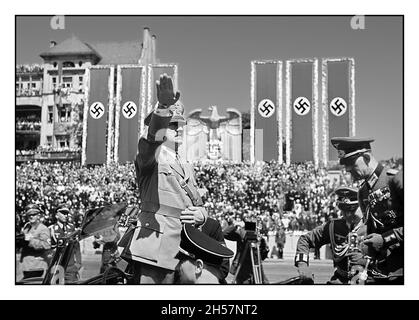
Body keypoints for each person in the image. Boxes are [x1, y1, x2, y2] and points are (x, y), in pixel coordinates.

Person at [124, 74, 208, 283]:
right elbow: (151, 140)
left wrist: (201, 215)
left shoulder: (186, 164)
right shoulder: (150, 158)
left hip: (185, 249)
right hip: (155, 247)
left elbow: (198, 204)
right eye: (171, 124)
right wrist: (162, 108)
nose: (177, 128)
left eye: (179, 124)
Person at [331, 137, 403, 284]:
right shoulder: (363, 192)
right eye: (346, 165)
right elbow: (371, 232)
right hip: (380, 272)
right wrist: (361, 262)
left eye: (351, 163)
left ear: (366, 157)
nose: (348, 169)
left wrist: (386, 239)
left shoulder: (396, 179)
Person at [295, 187, 367, 284]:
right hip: (339, 281)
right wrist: (303, 266)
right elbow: (305, 240)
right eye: (344, 211)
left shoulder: (372, 226)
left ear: (362, 207)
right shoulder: (333, 227)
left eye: (352, 210)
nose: (348, 215)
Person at [223, 219, 269, 284]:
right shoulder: (241, 236)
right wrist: (235, 225)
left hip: (255, 267)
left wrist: (263, 244)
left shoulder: (259, 239)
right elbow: (225, 234)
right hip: (242, 266)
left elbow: (263, 256)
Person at [49, 204, 82, 283]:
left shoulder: (72, 228)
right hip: (57, 267)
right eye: (63, 213)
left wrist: (78, 263)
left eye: (67, 213)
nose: (66, 215)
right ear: (56, 215)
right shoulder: (51, 229)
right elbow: (49, 250)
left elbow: (76, 247)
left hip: (71, 267)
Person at [19, 204, 51, 280]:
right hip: (26, 265)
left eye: (34, 214)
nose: (31, 216)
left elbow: (47, 245)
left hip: (37, 266)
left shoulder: (43, 228)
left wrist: (30, 240)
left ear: (38, 215)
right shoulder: (26, 227)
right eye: (29, 215)